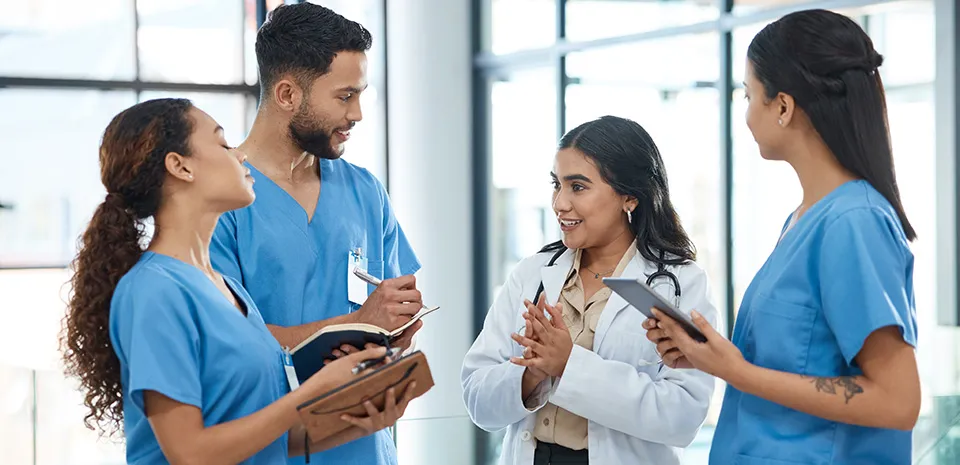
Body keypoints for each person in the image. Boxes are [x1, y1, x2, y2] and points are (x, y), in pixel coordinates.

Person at [59, 98, 417, 464]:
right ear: (180, 166)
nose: (241, 156)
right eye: (223, 144)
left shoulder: (231, 292)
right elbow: (190, 453)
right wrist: (309, 394)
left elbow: (270, 439)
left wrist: (364, 419)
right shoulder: (153, 291)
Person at [645, 9, 921, 465]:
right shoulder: (804, 218)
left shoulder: (853, 222)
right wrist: (712, 358)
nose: (747, 112)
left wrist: (740, 373)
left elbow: (897, 400)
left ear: (783, 107)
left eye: (749, 94)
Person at [209, 4, 422, 465]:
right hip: (269, 446)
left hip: (365, 446)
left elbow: (387, 315)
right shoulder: (221, 202)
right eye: (345, 96)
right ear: (287, 94)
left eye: (361, 94)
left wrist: (395, 331)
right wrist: (355, 322)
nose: (359, 114)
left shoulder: (365, 191)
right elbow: (229, 347)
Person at [461, 115, 720, 465]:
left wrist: (569, 365)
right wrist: (532, 374)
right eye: (557, 184)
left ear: (630, 197)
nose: (560, 203)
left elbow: (683, 416)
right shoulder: (533, 273)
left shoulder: (680, 284)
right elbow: (477, 399)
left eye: (578, 187)